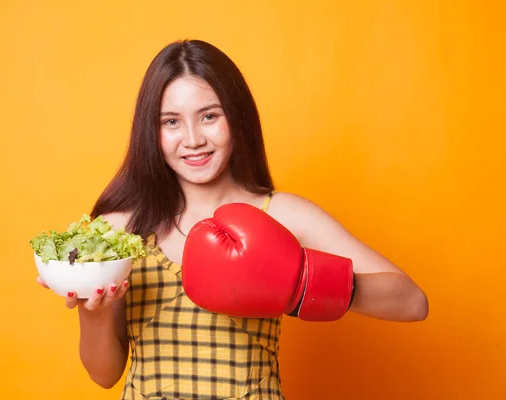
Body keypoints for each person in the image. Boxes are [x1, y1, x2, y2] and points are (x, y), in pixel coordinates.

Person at [36, 39, 428, 399]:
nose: (192, 139)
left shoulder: (281, 215)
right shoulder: (121, 228)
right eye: (171, 121)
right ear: (150, 132)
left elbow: (412, 302)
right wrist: (96, 315)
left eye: (209, 116)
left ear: (237, 119)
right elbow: (104, 375)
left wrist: (299, 283)